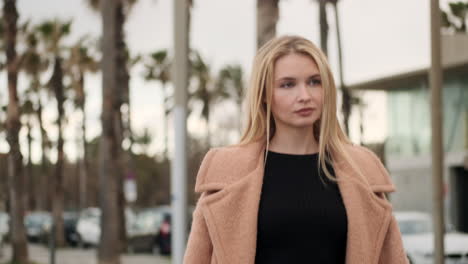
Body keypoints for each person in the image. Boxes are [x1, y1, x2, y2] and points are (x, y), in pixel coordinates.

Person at [184, 35, 409, 264]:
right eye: (288, 84)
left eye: (314, 81)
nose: (305, 96)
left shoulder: (362, 170)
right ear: (263, 95)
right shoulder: (228, 173)